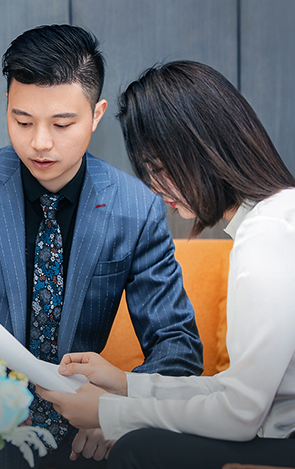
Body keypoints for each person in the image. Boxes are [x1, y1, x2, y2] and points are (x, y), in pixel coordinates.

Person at [0, 28, 203, 469]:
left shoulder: (137, 208)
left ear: (96, 115)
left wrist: (122, 414)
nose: (40, 142)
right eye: (22, 121)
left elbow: (177, 343)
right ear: (7, 107)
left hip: (78, 442)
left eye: (62, 124)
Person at [37, 60, 295, 468]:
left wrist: (110, 412)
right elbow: (237, 390)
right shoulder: (276, 218)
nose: (156, 190)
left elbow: (241, 413)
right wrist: (126, 384)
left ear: (206, 149)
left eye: (159, 169)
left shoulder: (267, 235)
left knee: (139, 450)